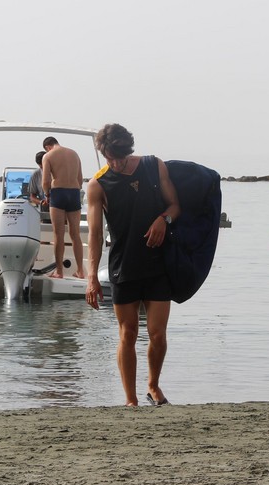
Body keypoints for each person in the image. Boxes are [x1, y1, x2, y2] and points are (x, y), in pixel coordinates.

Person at [85, 123, 180, 407]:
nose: (116, 163)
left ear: (129, 149)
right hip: (123, 265)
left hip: (157, 263)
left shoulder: (153, 166)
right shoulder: (98, 184)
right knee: (128, 333)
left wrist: (163, 219)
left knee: (157, 333)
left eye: (121, 157)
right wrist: (91, 277)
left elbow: (175, 205)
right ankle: (130, 400)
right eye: (110, 158)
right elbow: (95, 234)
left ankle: (153, 386)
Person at [41, 136, 85, 278]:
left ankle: (59, 271)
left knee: (58, 235)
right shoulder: (74, 154)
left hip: (58, 193)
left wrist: (47, 194)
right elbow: (80, 179)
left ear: (47, 147)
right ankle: (80, 270)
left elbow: (45, 181)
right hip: (74, 193)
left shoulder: (48, 156)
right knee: (75, 234)